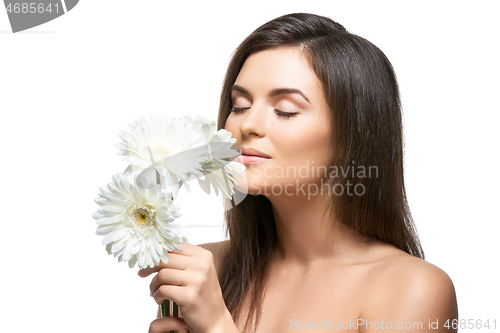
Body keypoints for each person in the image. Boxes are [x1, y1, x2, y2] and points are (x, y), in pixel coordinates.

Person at [138, 13, 458, 333]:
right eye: (239, 105)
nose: (247, 125)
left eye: (285, 110)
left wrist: (218, 326)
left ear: (353, 133)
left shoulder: (412, 290)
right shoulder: (203, 271)